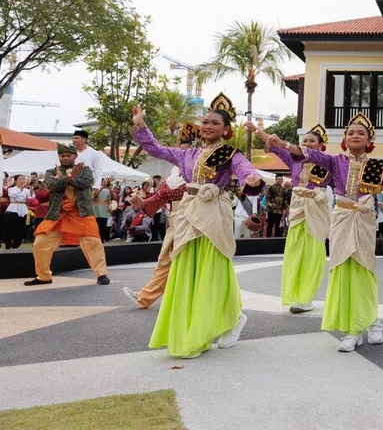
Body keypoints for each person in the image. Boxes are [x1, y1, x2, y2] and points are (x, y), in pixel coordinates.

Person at [272, 112, 383, 352]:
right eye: (351, 133)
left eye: (361, 133)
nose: (355, 135)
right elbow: (310, 154)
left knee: (364, 270)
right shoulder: (336, 161)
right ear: (345, 139)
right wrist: (283, 144)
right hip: (342, 220)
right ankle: (351, 329)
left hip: (364, 221)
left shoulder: (377, 166)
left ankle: (372, 320)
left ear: (369, 140)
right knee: (343, 270)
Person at [131, 93, 261, 359]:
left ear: (226, 130)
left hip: (214, 214)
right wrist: (140, 125)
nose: (208, 126)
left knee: (213, 271)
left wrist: (251, 178)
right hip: (189, 214)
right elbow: (156, 149)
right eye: (205, 122)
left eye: (215, 123)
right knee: (187, 270)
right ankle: (194, 328)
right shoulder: (187, 154)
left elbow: (244, 168)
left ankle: (227, 321)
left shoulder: (230, 153)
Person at [249, 121, 332, 314]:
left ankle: (306, 297)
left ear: (321, 145)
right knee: (294, 251)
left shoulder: (327, 161)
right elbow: (275, 143)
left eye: (312, 141)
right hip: (297, 209)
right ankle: (294, 294)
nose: (307, 143)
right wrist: (257, 131)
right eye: (305, 141)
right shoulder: (294, 160)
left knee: (313, 252)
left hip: (316, 208)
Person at [24, 144, 110, 286]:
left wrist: (65, 178)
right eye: (62, 156)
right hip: (58, 213)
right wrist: (70, 176)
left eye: (68, 155)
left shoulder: (85, 170)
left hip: (81, 212)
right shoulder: (50, 171)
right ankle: (44, 276)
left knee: (93, 243)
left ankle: (101, 274)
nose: (65, 158)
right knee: (39, 244)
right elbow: (54, 187)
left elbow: (86, 183)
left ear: (75, 156)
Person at [122, 174, 187, 309]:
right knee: (167, 260)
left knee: (187, 262)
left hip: (195, 221)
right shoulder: (175, 172)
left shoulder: (197, 168)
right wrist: (144, 202)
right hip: (177, 221)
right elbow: (161, 196)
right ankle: (145, 296)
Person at [3, 174, 31, 249]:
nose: (22, 180)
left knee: (20, 228)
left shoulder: (26, 190)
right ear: (16, 181)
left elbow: (31, 196)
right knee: (9, 227)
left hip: (23, 209)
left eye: (23, 179)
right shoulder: (11, 189)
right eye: (20, 179)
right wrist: (20, 189)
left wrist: (31, 189)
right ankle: (8, 244)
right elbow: (12, 195)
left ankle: (16, 244)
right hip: (13, 208)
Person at [92, 176, 113, 242]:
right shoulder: (94, 189)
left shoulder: (107, 190)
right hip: (96, 211)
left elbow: (113, 197)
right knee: (96, 226)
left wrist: (109, 187)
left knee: (103, 226)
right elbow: (95, 195)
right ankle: (96, 239)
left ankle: (102, 239)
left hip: (104, 212)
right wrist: (101, 187)